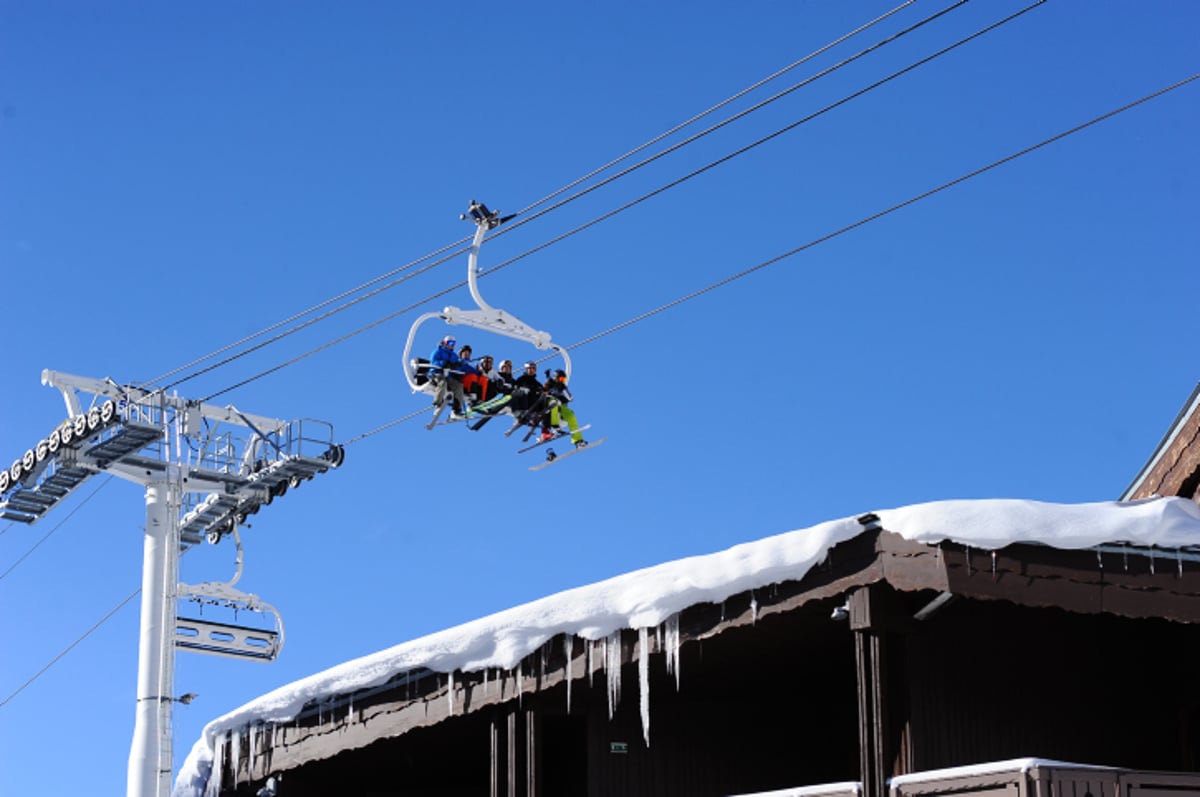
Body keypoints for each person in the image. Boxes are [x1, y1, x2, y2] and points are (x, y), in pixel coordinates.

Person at [542, 368, 586, 447]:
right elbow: (543, 391)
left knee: (571, 415)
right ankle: (555, 426)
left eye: (564, 379)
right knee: (553, 402)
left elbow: (570, 398)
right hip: (550, 409)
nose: (563, 380)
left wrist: (563, 391)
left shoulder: (562, 387)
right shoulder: (550, 384)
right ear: (556, 378)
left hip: (561, 408)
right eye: (561, 378)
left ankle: (577, 440)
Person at [429, 335, 467, 420]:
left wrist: (459, 364)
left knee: (459, 386)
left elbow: (457, 365)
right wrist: (444, 363)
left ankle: (456, 410)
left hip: (448, 376)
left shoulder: (454, 355)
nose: (452, 345)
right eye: (450, 343)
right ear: (445, 342)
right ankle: (437, 404)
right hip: (437, 374)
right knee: (442, 383)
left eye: (454, 343)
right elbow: (433, 362)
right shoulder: (438, 351)